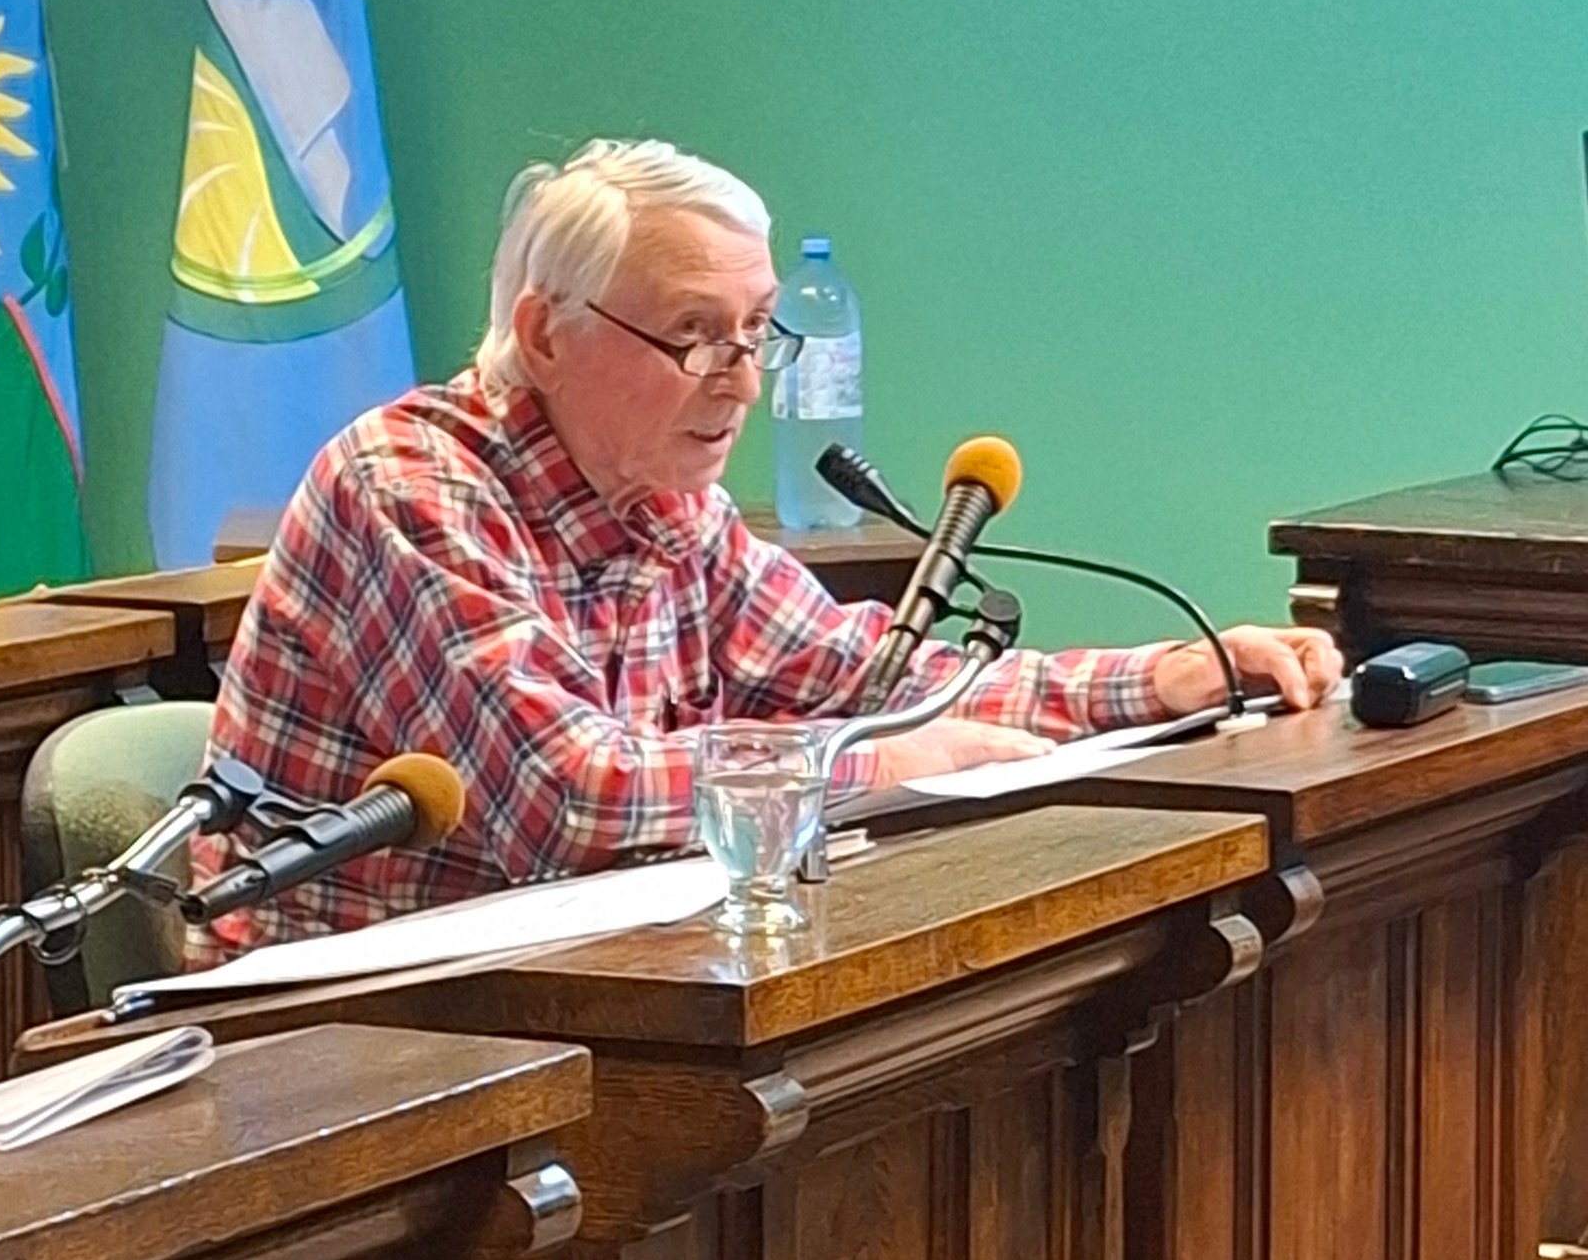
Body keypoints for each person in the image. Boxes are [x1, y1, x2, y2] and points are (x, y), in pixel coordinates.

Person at [185, 138, 1342, 965]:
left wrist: (1165, 678)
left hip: (568, 979)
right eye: (695, 335)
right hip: (341, 1024)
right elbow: (569, 797)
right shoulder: (409, 487)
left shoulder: (669, 501)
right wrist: (884, 763)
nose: (741, 381)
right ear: (545, 332)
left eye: (755, 332)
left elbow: (868, 676)